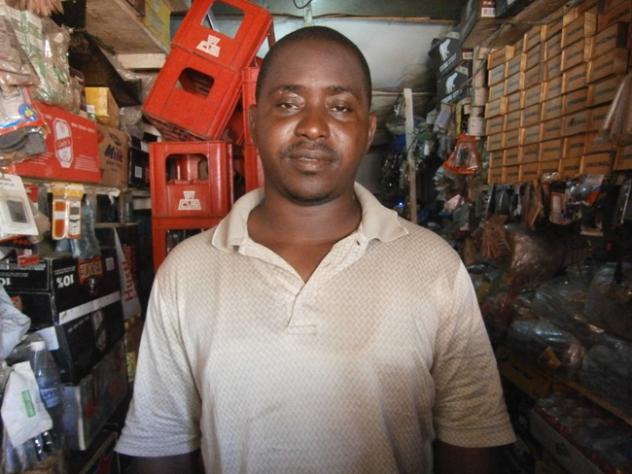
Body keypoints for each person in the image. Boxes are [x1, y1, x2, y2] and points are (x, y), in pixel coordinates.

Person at [115, 26, 515, 473]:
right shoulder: (187, 270)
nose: (312, 127)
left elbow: (472, 438)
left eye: (340, 107)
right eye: (288, 104)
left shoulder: (433, 265)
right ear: (254, 123)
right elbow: (162, 443)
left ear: (368, 130)